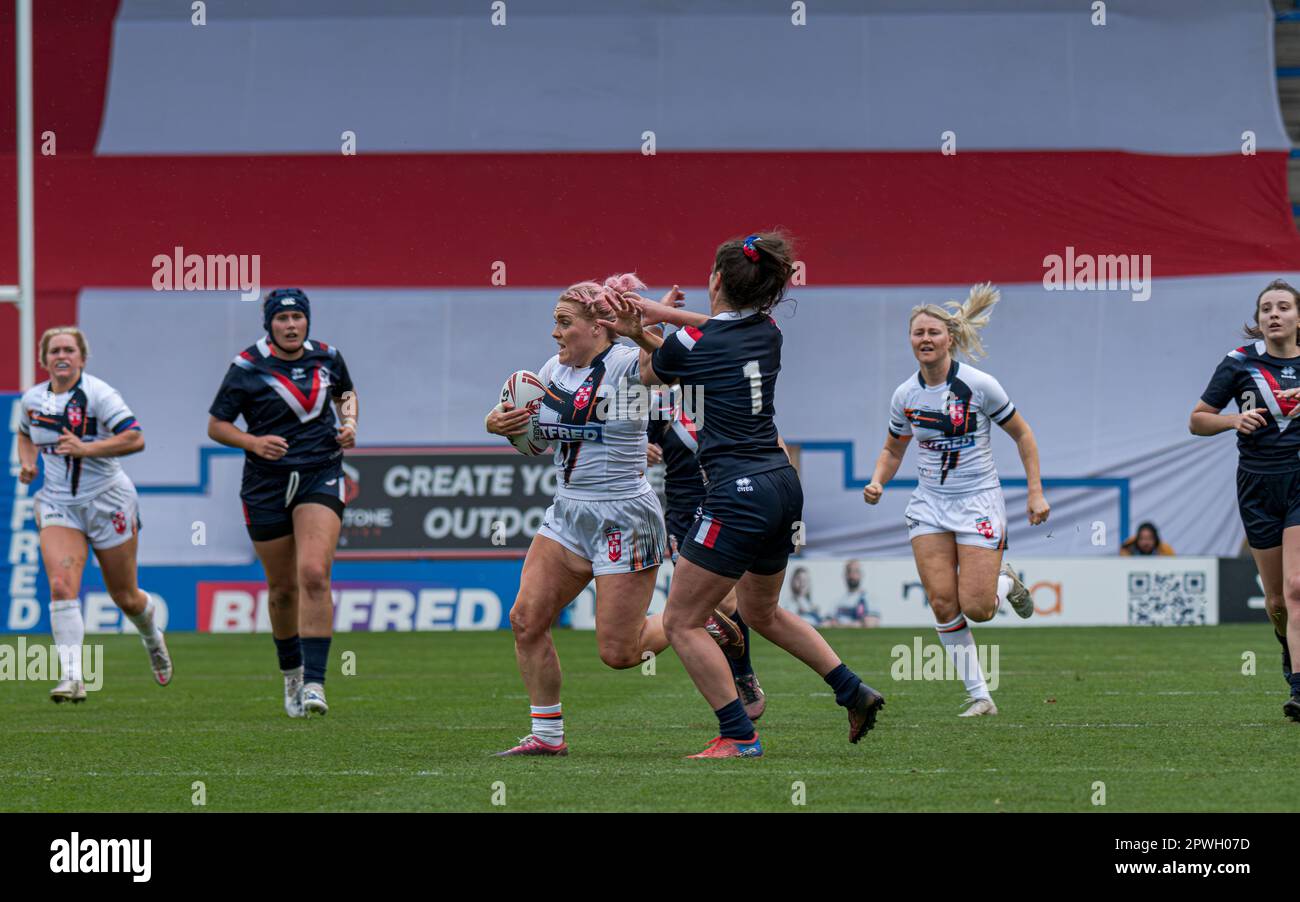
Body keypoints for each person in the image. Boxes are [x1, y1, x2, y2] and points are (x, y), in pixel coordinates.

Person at [603, 231, 886, 759]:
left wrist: (639, 326)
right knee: (762, 613)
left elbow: (648, 374)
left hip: (737, 492)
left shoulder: (695, 343)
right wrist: (653, 320)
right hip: (781, 483)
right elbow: (707, 340)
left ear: (715, 281)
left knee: (681, 621)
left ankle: (738, 734)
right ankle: (851, 689)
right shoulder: (768, 330)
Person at [485, 275, 742, 756]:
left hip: (625, 516)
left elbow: (660, 366)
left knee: (620, 654)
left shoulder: (627, 365)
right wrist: (496, 423)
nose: (555, 333)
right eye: (554, 323)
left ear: (599, 327)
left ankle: (691, 617)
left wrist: (647, 325)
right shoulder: (551, 371)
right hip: (567, 513)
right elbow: (535, 444)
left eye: (564, 323)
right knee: (525, 620)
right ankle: (546, 736)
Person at [863, 283, 1048, 717]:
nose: (924, 339)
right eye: (917, 333)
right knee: (943, 602)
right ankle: (980, 696)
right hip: (929, 506)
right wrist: (877, 481)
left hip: (978, 502)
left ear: (950, 338)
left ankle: (1008, 583)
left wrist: (1036, 491)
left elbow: (1023, 434)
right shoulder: (905, 395)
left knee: (979, 608)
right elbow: (893, 449)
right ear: (910, 340)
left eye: (933, 332)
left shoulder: (980, 385)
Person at [207, 289, 357, 718]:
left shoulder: (328, 357)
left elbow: (346, 394)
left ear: (307, 321)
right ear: (268, 324)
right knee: (282, 589)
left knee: (313, 572)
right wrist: (252, 441)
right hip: (265, 482)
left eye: (297, 317)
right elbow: (217, 425)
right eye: (282, 318)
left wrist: (349, 423)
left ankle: (315, 682)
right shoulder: (246, 367)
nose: (290, 324)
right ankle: (291, 674)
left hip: (320, 472)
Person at [17, 326, 170, 702]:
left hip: (108, 501)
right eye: (55, 351)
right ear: (45, 359)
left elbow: (136, 438)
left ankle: (152, 637)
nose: (62, 356)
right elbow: (24, 434)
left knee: (125, 596)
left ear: (82, 358)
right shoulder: (32, 400)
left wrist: (86, 449)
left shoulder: (100, 395)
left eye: (69, 350)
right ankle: (72, 677)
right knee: (60, 585)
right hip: (58, 503)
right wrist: (28, 463)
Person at [1190, 278, 1300, 721]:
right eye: (1266, 309)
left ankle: (1298, 689)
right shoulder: (1237, 364)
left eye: (1283, 307)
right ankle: (1287, 649)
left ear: (1298, 317)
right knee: (1275, 601)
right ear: (1258, 321)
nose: (1273, 314)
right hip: (1256, 485)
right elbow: (1197, 420)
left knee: (1296, 589)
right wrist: (1233, 420)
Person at [648, 382, 766, 719]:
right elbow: (633, 441)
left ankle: (742, 675)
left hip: (724, 506)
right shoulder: (660, 403)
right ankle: (729, 675)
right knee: (708, 604)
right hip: (683, 516)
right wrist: (643, 447)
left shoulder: (725, 391)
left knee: (727, 601)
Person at [834, 559, 881, 627]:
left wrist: (840, 625)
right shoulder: (838, 601)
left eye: (856, 572)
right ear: (845, 575)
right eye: (849, 571)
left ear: (861, 574)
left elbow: (870, 623)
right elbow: (827, 622)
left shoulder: (869, 598)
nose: (852, 575)